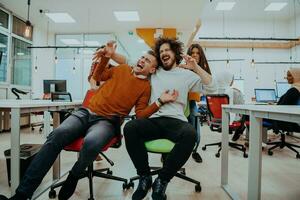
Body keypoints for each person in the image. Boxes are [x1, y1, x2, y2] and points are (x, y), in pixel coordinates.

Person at [0, 41, 178, 200]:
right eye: (142, 57)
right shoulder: (122, 69)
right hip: (85, 112)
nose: (142, 60)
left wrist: (160, 101)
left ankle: (74, 175)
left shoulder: (145, 87)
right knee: (56, 135)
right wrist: (105, 58)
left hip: (107, 122)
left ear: (153, 69)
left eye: (147, 61)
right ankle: (23, 194)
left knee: (91, 143)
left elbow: (140, 115)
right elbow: (99, 76)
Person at [124, 37, 216, 200]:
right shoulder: (154, 71)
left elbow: (211, 87)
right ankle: (145, 177)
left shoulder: (186, 74)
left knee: (191, 134)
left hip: (177, 121)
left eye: (167, 50)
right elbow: (130, 61)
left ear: (174, 53)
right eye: (161, 52)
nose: (164, 53)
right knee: (130, 127)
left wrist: (195, 67)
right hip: (154, 119)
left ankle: (162, 180)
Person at [185, 43, 212, 163]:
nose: (195, 55)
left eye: (197, 53)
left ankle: (194, 150)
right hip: (179, 101)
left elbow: (209, 85)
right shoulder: (183, 68)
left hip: (191, 102)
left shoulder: (201, 70)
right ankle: (168, 152)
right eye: (192, 53)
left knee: (195, 128)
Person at [216, 71, 246, 141]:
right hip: (230, 119)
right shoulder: (235, 92)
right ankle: (240, 131)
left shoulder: (214, 90)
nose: (233, 80)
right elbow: (242, 107)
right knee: (247, 115)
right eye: (232, 78)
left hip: (216, 119)